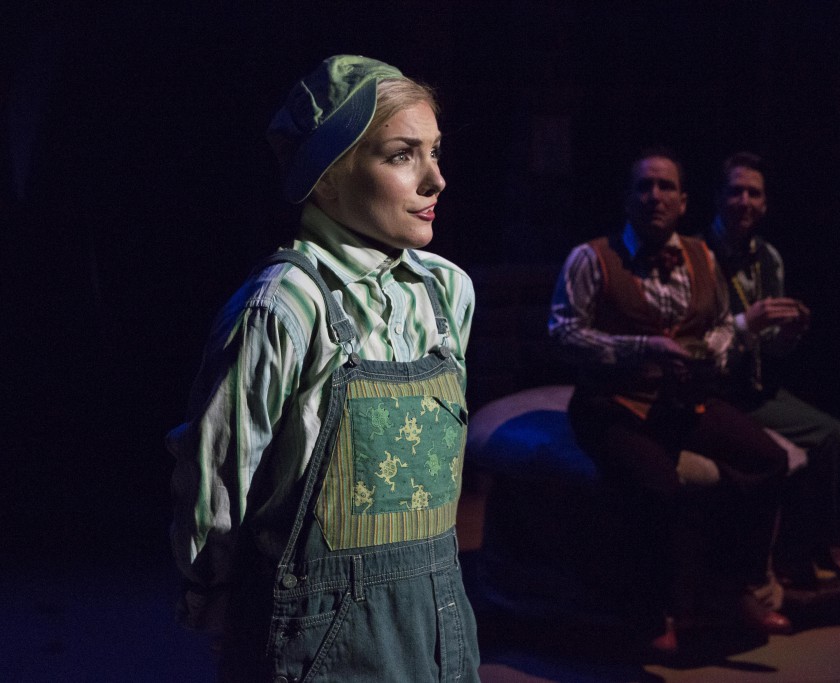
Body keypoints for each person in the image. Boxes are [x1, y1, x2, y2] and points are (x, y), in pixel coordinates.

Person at [167, 55, 480, 681]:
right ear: (327, 177)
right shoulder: (283, 305)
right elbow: (219, 473)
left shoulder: (447, 292)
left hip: (438, 616)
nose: (436, 180)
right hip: (322, 633)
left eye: (435, 152)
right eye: (402, 155)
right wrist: (213, 593)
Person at [549, 147, 792, 654]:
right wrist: (642, 348)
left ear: (684, 202)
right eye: (644, 186)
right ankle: (653, 612)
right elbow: (564, 334)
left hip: (681, 399)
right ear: (627, 198)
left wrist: (712, 354)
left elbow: (721, 325)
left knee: (768, 459)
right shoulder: (591, 258)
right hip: (613, 403)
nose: (654, 196)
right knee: (659, 486)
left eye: (666, 187)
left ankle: (738, 588)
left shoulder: (703, 256)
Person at [704, 151, 840, 588]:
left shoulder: (767, 257)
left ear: (766, 203)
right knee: (824, 438)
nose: (745, 202)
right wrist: (747, 325)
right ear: (718, 198)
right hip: (719, 389)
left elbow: (773, 348)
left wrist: (789, 334)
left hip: (758, 387)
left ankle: (814, 549)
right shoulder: (698, 256)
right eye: (736, 192)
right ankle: (795, 557)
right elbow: (699, 335)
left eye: (754, 194)